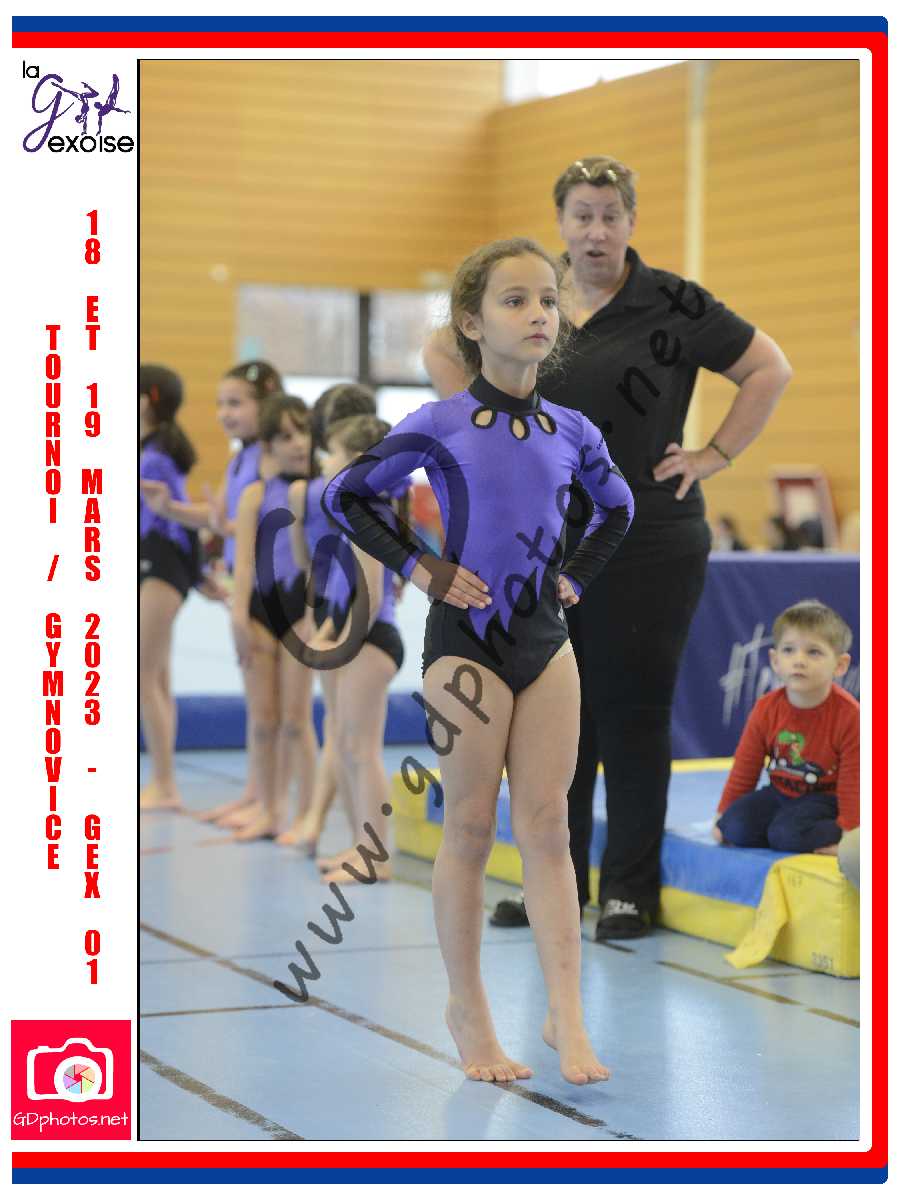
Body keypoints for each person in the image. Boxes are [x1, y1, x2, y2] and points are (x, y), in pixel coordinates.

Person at [425, 155, 792, 939]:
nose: (596, 231)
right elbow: (441, 346)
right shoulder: (539, 296)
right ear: (562, 222)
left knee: (631, 712)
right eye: (582, 216)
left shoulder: (675, 303)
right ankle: (554, 880)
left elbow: (769, 367)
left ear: (631, 221)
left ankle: (629, 889)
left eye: (610, 216)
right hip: (541, 544)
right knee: (554, 719)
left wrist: (715, 454)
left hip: (648, 537)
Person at [323, 238, 634, 1085]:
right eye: (514, 300)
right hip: (466, 645)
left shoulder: (573, 430)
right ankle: (469, 1011)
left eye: (548, 300)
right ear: (472, 322)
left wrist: (575, 577)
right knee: (467, 827)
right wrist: (422, 567)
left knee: (549, 827)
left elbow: (618, 510)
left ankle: (566, 1014)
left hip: (545, 643)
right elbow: (345, 495)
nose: (537, 314)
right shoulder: (441, 423)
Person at [140, 359, 284, 827]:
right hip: (246, 586)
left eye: (235, 403)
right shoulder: (241, 459)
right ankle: (255, 795)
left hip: (272, 588)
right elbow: (219, 517)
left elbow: (269, 520)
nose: (224, 413)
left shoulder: (270, 458)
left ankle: (270, 804)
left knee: (276, 713)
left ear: (266, 404)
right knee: (258, 709)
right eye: (221, 404)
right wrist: (171, 507)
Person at [298, 415, 407, 882]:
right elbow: (342, 592)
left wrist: (339, 641)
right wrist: (324, 631)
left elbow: (374, 596)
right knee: (344, 745)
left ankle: (376, 856)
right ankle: (360, 844)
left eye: (333, 453)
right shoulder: (354, 514)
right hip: (354, 636)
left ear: (358, 462)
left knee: (361, 750)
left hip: (371, 640)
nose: (324, 461)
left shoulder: (372, 516)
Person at [229, 394, 317, 841]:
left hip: (303, 609)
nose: (297, 443)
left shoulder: (320, 492)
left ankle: (306, 814)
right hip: (261, 611)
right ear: (267, 446)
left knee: (296, 722)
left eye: (303, 432)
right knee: (263, 721)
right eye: (285, 436)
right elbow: (244, 563)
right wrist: (237, 618)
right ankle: (268, 808)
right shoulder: (256, 495)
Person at [714, 600, 859, 853]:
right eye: (789, 650)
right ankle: (782, 829)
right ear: (775, 660)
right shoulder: (766, 708)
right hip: (779, 793)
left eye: (813, 652)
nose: (799, 660)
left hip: (827, 800)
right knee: (734, 827)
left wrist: (850, 834)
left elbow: (854, 781)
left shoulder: (851, 716)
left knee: (786, 835)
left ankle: (794, 831)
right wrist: (722, 813)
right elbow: (746, 766)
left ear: (840, 665)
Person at [139, 364, 201, 811]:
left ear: (146, 401)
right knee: (156, 675)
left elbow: (175, 520)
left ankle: (165, 784)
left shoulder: (154, 457)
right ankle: (164, 781)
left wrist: (195, 573)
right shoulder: (151, 449)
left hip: (160, 562)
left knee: (145, 676)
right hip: (157, 561)